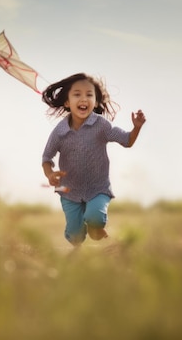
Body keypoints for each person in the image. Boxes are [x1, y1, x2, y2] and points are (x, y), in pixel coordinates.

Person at [41, 73, 146, 247]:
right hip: (68, 190)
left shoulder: (101, 126)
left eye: (89, 95)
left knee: (95, 220)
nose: (84, 99)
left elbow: (127, 141)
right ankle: (79, 252)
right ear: (67, 102)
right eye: (77, 94)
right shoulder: (60, 132)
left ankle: (102, 236)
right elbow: (47, 157)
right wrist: (50, 174)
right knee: (75, 236)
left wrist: (136, 128)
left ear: (96, 101)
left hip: (98, 188)